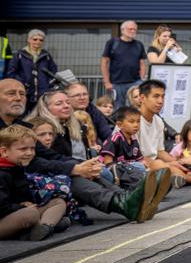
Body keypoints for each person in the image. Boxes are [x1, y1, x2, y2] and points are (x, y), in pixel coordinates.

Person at [20, 87, 166, 223]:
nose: (66, 106)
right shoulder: (34, 128)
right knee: (83, 175)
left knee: (94, 171)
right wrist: (75, 167)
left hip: (63, 169)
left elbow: (56, 157)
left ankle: (131, 199)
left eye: (67, 102)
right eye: (59, 103)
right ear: (46, 108)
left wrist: (82, 165)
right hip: (41, 179)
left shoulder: (68, 126)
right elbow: (40, 161)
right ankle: (127, 201)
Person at [0, 125, 68, 241]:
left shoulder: (17, 167)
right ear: (4, 151)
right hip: (4, 218)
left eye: (32, 148)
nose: (29, 153)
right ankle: (43, 227)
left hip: (17, 212)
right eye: (23, 149)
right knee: (30, 214)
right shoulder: (2, 174)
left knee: (58, 202)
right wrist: (21, 206)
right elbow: (1, 207)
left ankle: (43, 227)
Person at [26, 116, 88, 226]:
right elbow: (45, 165)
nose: (48, 138)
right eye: (42, 135)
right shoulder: (29, 157)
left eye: (50, 134)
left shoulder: (52, 151)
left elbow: (60, 159)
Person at [136, 80, 191, 186]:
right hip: (139, 164)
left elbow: (160, 151)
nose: (160, 101)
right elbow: (133, 156)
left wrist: (176, 161)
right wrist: (169, 164)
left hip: (156, 162)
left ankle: (179, 178)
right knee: (162, 165)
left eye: (163, 96)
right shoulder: (133, 120)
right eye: (156, 96)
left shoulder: (158, 121)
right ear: (142, 98)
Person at [4, 29, 58, 114]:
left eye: (41, 40)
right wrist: (21, 83)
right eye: (35, 39)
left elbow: (54, 72)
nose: (38, 42)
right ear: (29, 40)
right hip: (26, 92)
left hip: (42, 93)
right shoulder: (20, 54)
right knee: (23, 116)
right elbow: (11, 72)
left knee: (41, 116)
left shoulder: (46, 55)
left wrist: (48, 85)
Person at [101, 21, 147, 109]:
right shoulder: (113, 43)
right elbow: (104, 62)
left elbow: (142, 64)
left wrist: (141, 79)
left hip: (135, 82)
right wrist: (107, 82)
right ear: (122, 30)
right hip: (117, 83)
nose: (133, 31)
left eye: (135, 29)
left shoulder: (139, 45)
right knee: (118, 109)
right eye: (130, 29)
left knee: (138, 107)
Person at [100, 106, 148, 186]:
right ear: (119, 125)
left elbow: (139, 160)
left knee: (142, 167)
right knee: (139, 168)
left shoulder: (134, 140)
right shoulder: (115, 138)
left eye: (138, 121)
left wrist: (145, 164)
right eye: (131, 122)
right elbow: (108, 162)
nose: (136, 125)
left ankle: (146, 184)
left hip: (127, 170)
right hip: (113, 172)